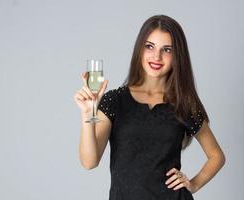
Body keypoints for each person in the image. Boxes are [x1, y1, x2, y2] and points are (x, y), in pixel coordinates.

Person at [74, 14, 225, 200]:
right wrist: (88, 114)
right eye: (149, 46)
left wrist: (193, 184)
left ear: (178, 55)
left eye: (167, 49)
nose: (157, 56)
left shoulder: (184, 105)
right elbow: (89, 162)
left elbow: (216, 156)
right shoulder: (115, 101)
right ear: (140, 49)